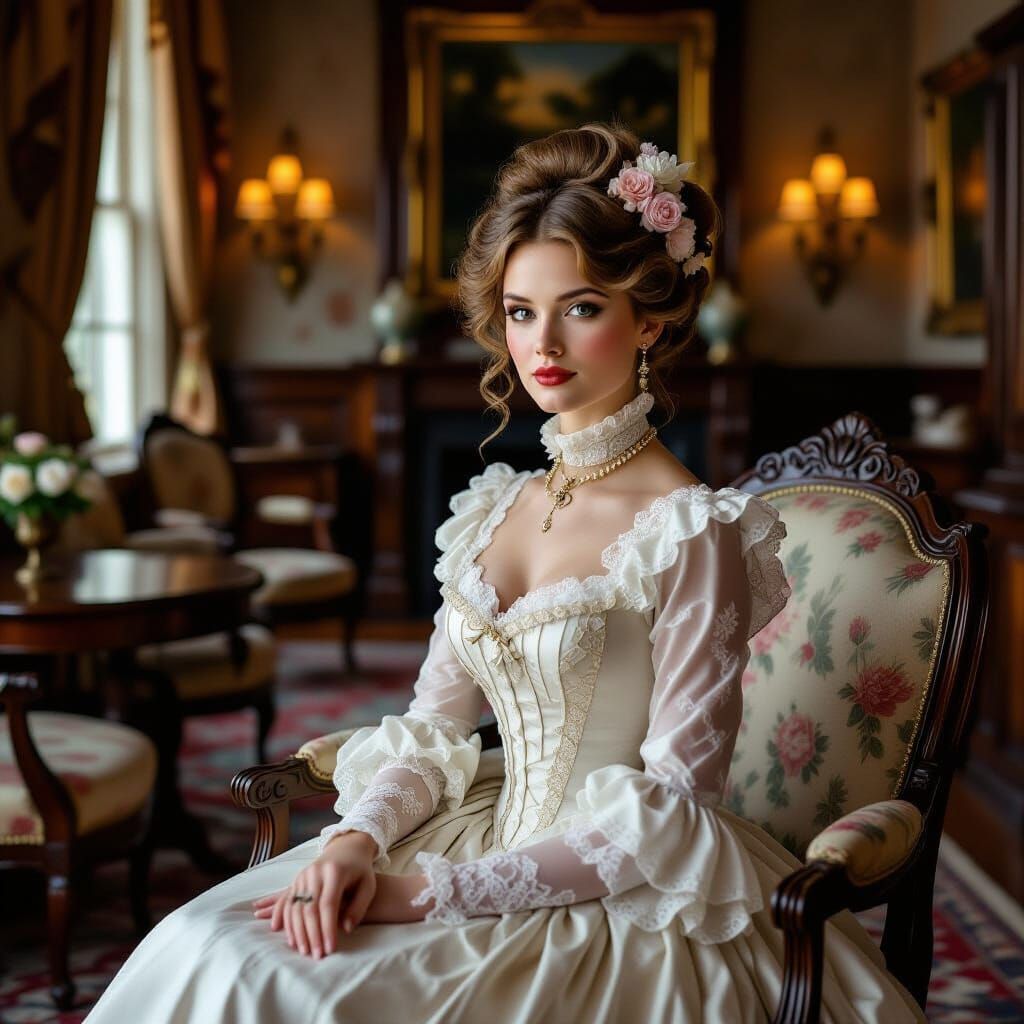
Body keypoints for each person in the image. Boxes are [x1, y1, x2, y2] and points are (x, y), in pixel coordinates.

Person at [86, 122, 925, 1023]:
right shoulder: (496, 507)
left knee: (309, 991)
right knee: (208, 948)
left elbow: (675, 805)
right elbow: (435, 730)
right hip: (466, 828)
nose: (543, 344)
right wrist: (358, 841)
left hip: (608, 890)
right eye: (522, 312)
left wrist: (425, 896)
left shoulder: (693, 531)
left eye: (582, 307)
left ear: (650, 318)